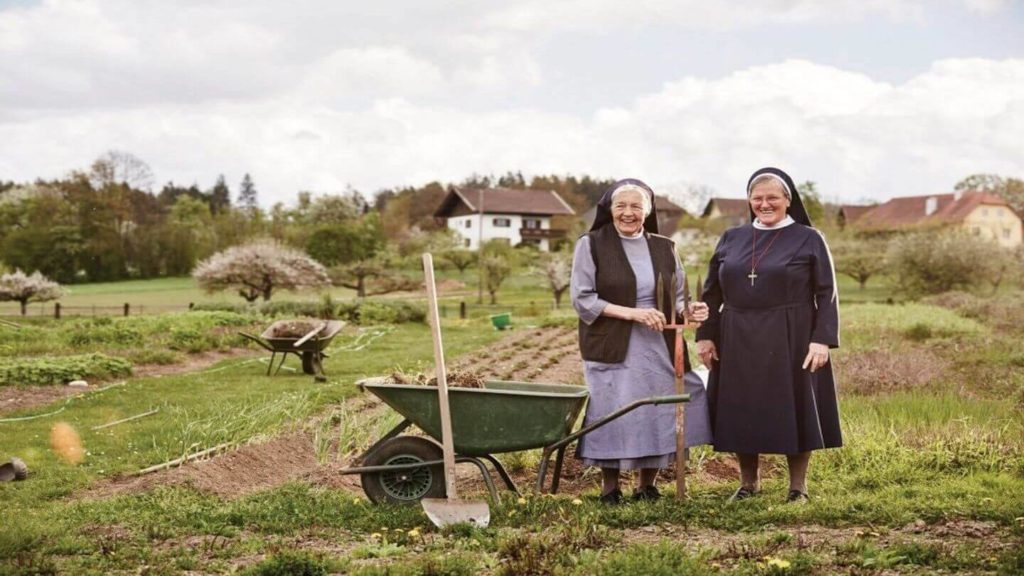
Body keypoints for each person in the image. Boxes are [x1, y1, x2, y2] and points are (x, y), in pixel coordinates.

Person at [695, 167, 841, 504]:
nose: (764, 204)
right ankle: (749, 483)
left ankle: (798, 487)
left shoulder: (809, 238)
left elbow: (826, 292)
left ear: (788, 200)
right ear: (749, 201)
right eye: (757, 198)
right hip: (736, 334)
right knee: (741, 406)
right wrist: (705, 335)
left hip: (792, 334)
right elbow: (711, 293)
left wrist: (822, 339)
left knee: (796, 405)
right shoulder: (731, 238)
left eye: (772, 198)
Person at [571, 179, 711, 504]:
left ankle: (646, 485)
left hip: (658, 343)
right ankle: (610, 488)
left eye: (636, 206)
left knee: (658, 408)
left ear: (647, 212)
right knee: (613, 408)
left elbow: (677, 296)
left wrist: (690, 310)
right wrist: (634, 313)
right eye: (621, 206)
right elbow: (582, 299)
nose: (628, 212)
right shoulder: (591, 244)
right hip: (612, 342)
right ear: (610, 210)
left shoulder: (665, 247)